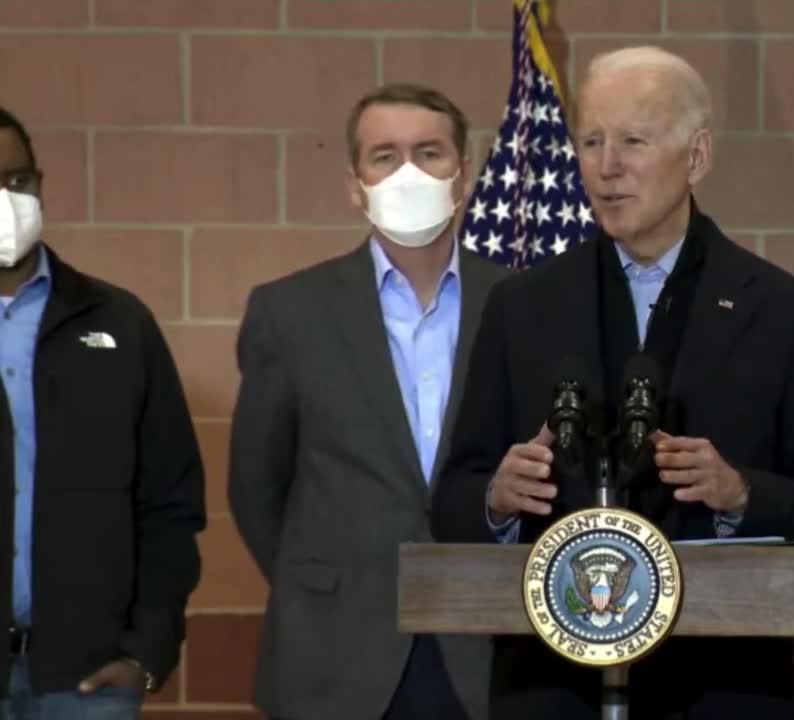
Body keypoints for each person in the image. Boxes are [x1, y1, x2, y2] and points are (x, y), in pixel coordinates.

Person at [432, 46, 794, 719]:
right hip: (549, 691)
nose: (607, 168)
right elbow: (452, 499)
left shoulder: (784, 313)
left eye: (633, 141)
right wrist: (495, 498)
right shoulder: (521, 307)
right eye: (592, 141)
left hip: (721, 691)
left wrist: (741, 494)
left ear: (696, 157)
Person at [228, 84, 508, 720]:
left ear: (462, 173)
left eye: (429, 153)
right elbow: (256, 488)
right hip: (337, 650)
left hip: (488, 651)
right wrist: (326, 581)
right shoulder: (289, 311)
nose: (408, 173)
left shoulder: (521, 304)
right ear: (355, 184)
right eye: (385, 156)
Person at [0, 106, 205, 718]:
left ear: (41, 184)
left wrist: (146, 651)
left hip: (88, 681)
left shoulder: (118, 323)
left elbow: (170, 504)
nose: (6, 202)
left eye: (16, 183)